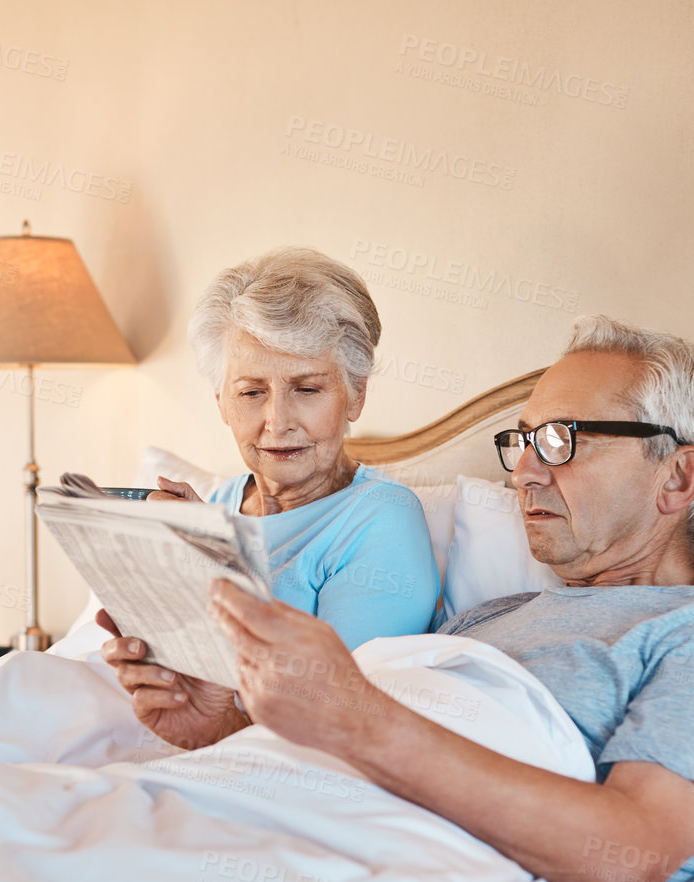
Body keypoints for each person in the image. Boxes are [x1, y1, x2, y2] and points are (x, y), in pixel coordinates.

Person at [106, 315, 694, 882]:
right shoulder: (490, 617)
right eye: (522, 441)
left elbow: (630, 853)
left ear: (677, 475)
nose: (524, 471)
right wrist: (222, 723)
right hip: (263, 825)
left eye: (560, 441)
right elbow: (361, 755)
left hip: (376, 881)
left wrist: (357, 713)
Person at [89, 248, 438, 708]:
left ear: (356, 396)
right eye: (252, 392)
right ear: (221, 403)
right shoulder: (217, 501)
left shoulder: (381, 516)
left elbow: (336, 709)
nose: (277, 422)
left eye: (307, 389)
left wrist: (217, 567)